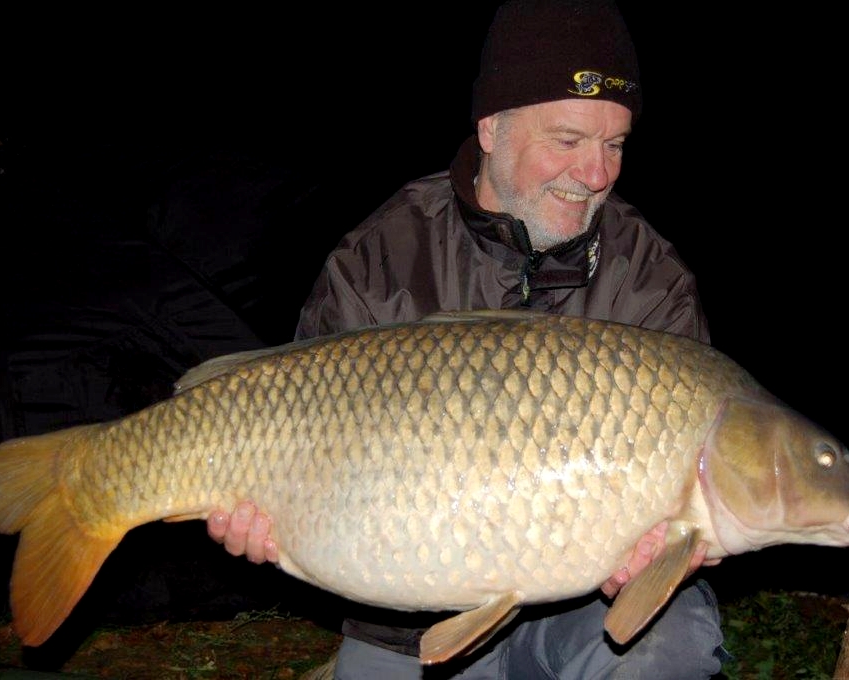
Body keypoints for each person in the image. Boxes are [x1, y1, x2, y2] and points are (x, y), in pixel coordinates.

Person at [208, 1, 727, 677]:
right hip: (404, 610)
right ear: (490, 128)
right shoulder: (381, 256)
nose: (596, 174)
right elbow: (294, 430)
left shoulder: (650, 279)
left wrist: (679, 542)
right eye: (567, 141)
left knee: (671, 649)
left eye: (615, 145)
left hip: (580, 609)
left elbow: (698, 475)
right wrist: (267, 516)